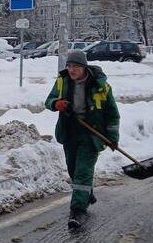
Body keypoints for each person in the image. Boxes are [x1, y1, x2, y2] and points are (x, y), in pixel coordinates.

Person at [44, 50, 120, 229]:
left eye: (75, 66)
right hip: (70, 131)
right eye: (69, 66)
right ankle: (86, 193)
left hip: (91, 133)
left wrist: (112, 137)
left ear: (84, 67)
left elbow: (112, 114)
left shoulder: (100, 85)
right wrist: (57, 104)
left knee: (83, 171)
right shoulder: (62, 81)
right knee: (72, 169)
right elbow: (49, 101)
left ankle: (78, 210)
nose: (71, 70)